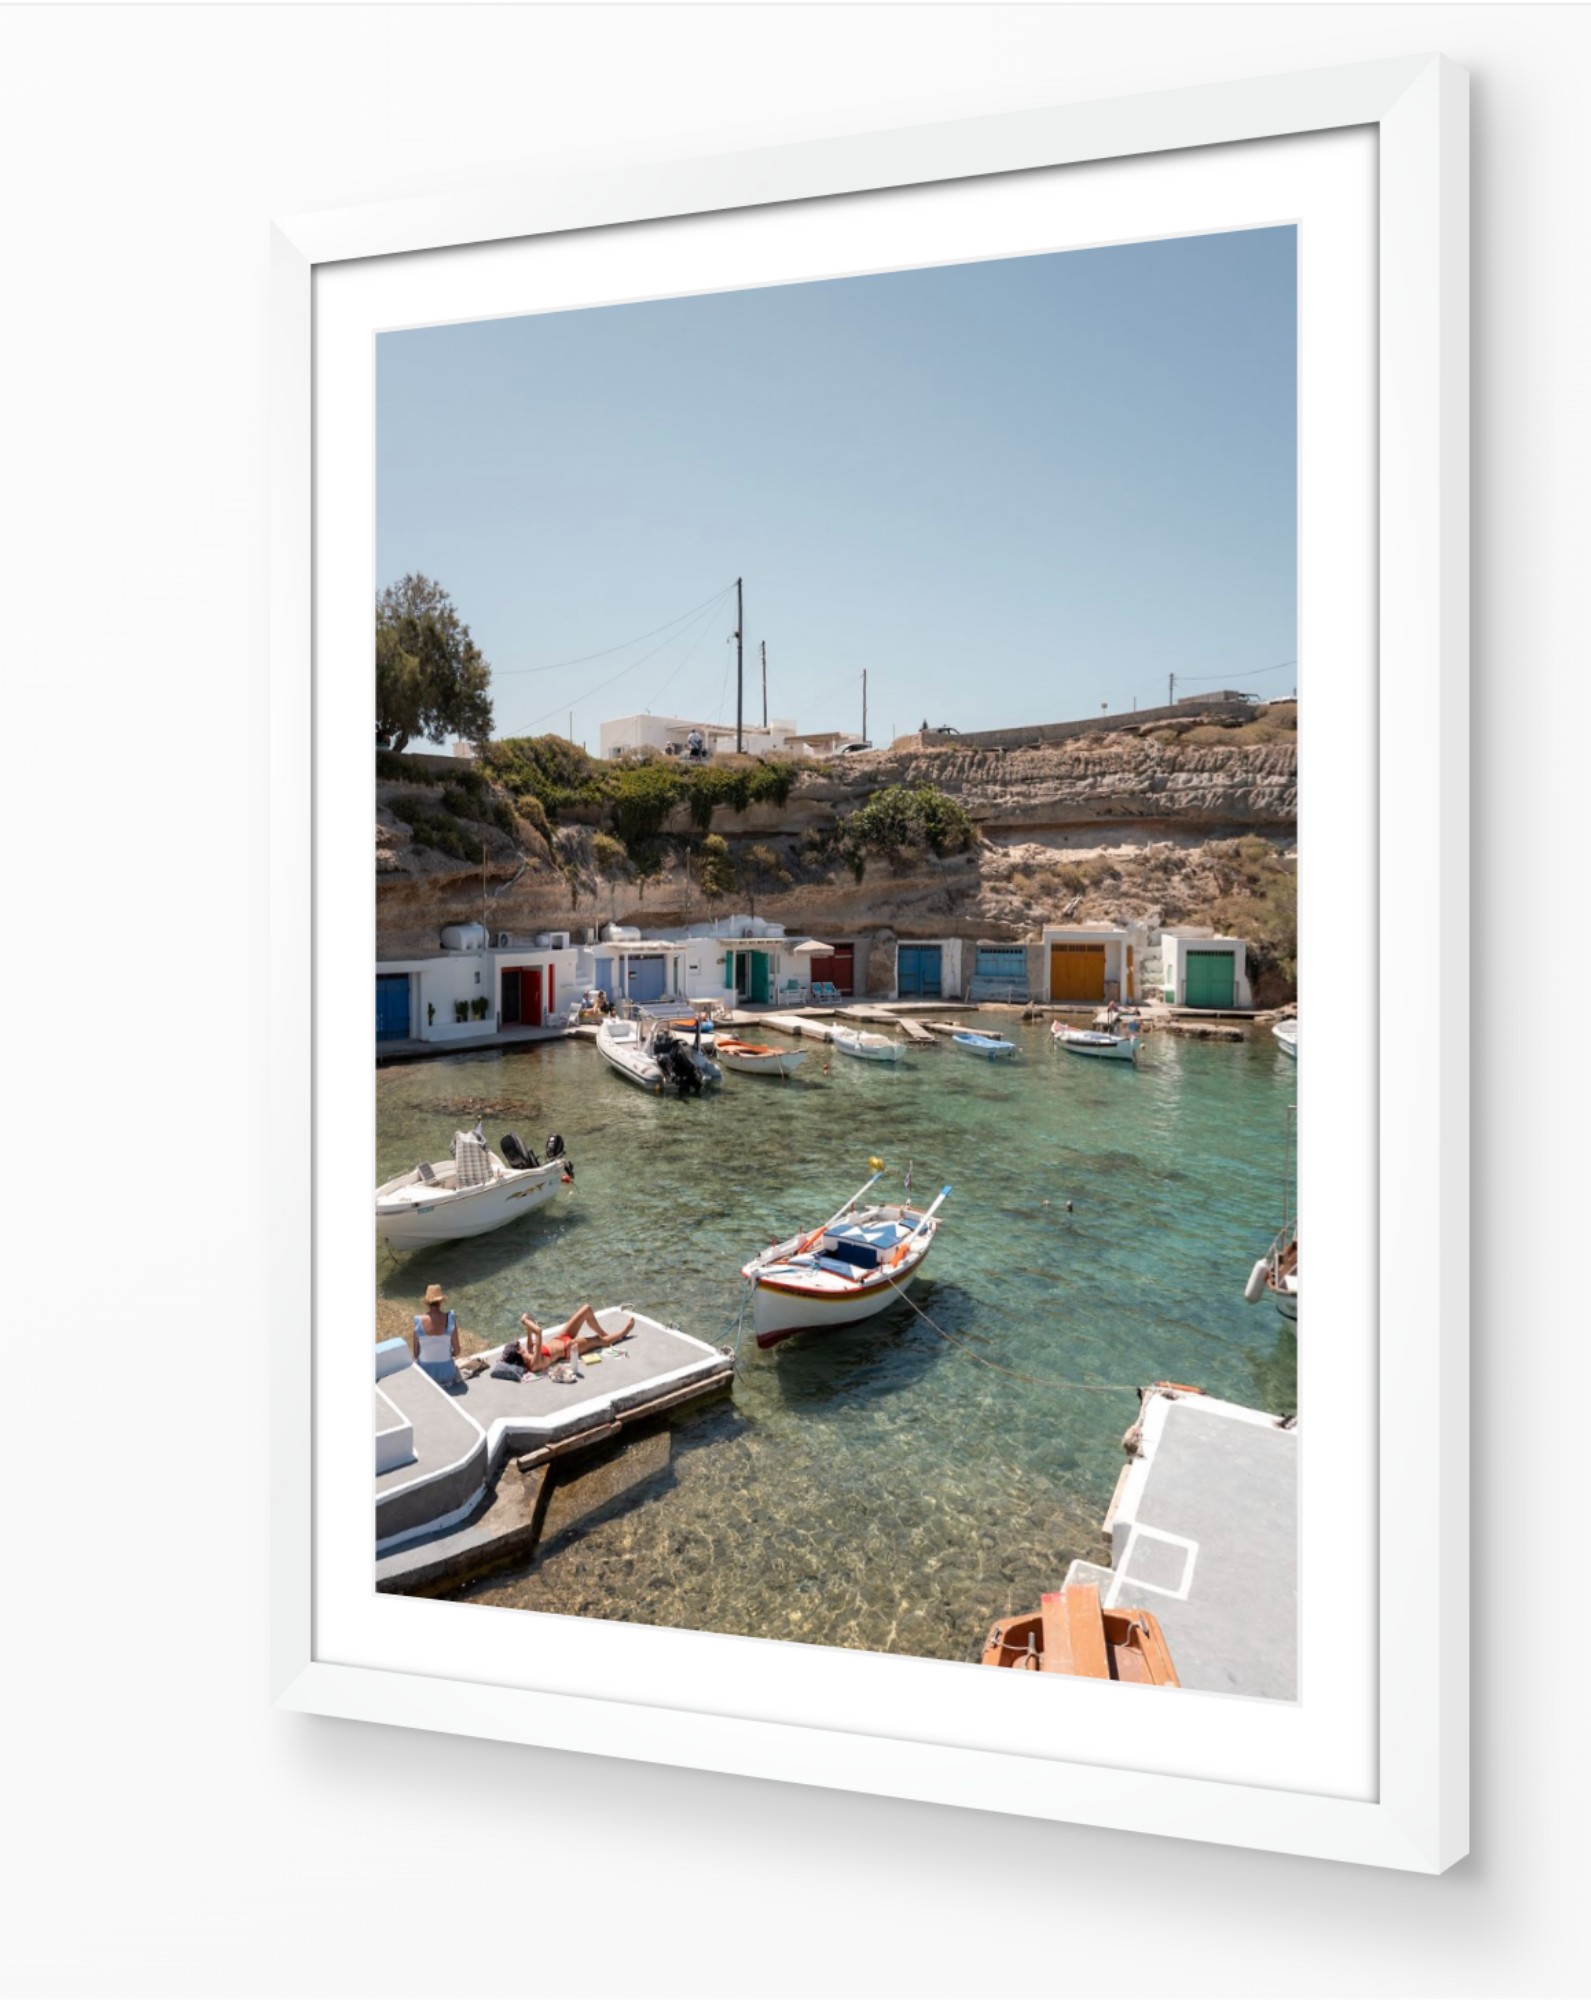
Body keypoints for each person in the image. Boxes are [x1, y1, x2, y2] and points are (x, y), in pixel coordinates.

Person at [515, 1304, 636, 1373]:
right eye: (517, 1348)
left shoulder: (529, 1350)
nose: (519, 1346)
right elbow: (539, 1332)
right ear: (518, 1355)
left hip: (560, 1337)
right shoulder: (534, 1364)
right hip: (569, 1348)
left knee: (586, 1309)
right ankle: (624, 1332)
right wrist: (525, 1321)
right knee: (598, 1341)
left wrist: (527, 1319)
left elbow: (531, 1328)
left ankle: (605, 1334)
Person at [413, 1284, 461, 1389]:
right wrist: (448, 1353)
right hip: (447, 1375)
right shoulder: (450, 1319)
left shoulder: (418, 1321)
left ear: (427, 1303)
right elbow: (457, 1352)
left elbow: (416, 1354)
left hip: (425, 1374)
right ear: (441, 1302)